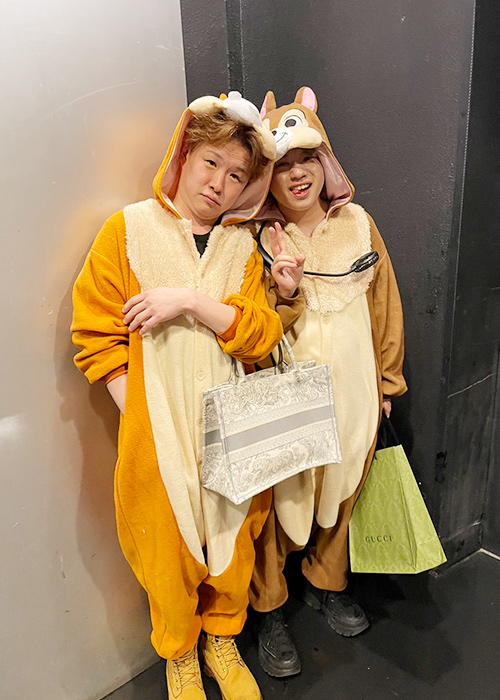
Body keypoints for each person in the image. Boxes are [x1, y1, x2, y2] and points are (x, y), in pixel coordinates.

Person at [71, 91, 283, 700]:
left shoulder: (242, 246)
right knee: (166, 547)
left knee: (232, 532)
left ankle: (222, 639)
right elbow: (94, 329)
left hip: (230, 422)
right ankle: (180, 654)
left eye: (236, 174)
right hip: (157, 429)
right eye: (211, 163)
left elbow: (261, 332)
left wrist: (189, 301)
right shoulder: (128, 230)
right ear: (185, 155)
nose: (219, 183)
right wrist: (138, 410)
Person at [250, 87, 407, 678]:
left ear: (325, 162)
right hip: (287, 395)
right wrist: (282, 289)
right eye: (282, 163)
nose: (297, 174)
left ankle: (328, 582)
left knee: (343, 490)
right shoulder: (256, 239)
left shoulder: (359, 225)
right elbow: (253, 321)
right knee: (280, 499)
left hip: (355, 389)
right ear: (266, 175)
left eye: (307, 159)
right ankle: (270, 608)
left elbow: (385, 305)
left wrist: (388, 382)